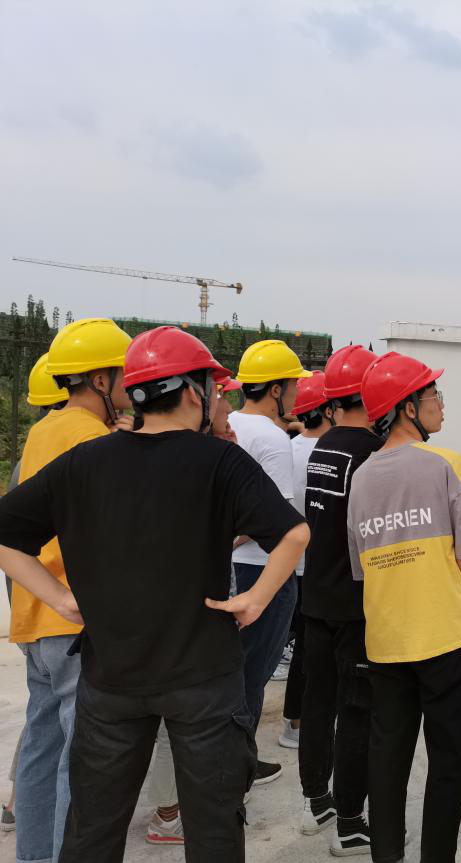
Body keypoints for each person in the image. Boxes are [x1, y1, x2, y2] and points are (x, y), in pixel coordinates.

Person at [0, 325, 309, 862]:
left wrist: (61, 599)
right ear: (193, 392)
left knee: (93, 829)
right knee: (213, 829)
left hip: (111, 675)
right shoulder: (221, 461)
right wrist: (254, 599)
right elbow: (294, 533)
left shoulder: (86, 460)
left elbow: (6, 533)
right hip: (203, 676)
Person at [348, 352, 461, 863]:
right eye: (433, 396)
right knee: (448, 759)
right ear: (407, 408)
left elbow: (361, 566)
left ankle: (386, 854)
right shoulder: (448, 463)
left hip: (386, 638)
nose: (441, 405)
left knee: (388, 755)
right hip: (444, 635)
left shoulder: (362, 477)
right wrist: (439, 593)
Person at [8, 318, 132, 863]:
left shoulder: (45, 430)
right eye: (124, 374)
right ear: (101, 380)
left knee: (41, 747)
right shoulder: (95, 440)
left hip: (35, 614)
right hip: (75, 619)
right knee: (78, 760)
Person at [144, 375, 245, 847]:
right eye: (221, 396)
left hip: (188, 612)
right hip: (184, 619)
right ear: (194, 399)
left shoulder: (205, 455)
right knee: (174, 722)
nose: (228, 406)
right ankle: (168, 813)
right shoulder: (194, 462)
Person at [297, 344, 380, 854]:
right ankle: (351, 822)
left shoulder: (323, 445)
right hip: (354, 604)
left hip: (317, 596)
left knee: (318, 700)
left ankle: (317, 801)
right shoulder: (373, 452)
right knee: (356, 710)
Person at [230, 338, 313, 786]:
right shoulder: (273, 440)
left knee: (233, 668)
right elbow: (271, 519)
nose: (298, 393)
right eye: (293, 384)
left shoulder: (227, 424)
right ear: (277, 389)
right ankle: (237, 766)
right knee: (253, 673)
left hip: (232, 570)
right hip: (265, 571)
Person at [0, 354, 68, 838]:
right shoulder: (83, 444)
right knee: (76, 748)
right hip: (67, 616)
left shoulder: (33, 448)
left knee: (43, 732)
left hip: (33, 614)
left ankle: (30, 836)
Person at [275, 371, 332, 739]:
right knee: (313, 649)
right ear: (327, 410)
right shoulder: (331, 454)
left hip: (290, 563)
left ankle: (295, 721)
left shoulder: (288, 448)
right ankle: (298, 724)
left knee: (302, 646)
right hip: (318, 566)